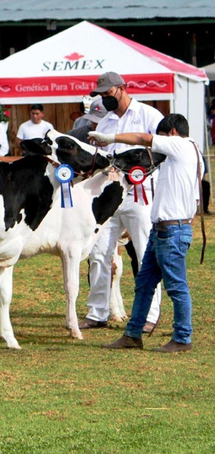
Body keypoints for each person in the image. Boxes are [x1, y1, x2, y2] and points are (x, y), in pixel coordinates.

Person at [96, 114, 202, 352]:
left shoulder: (179, 145)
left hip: (171, 230)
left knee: (176, 286)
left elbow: (143, 138)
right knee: (144, 284)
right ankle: (133, 334)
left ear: (172, 133)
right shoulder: (194, 152)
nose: (158, 143)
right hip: (167, 229)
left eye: (161, 137)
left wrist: (110, 137)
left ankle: (183, 338)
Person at [80, 71, 165, 332]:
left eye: (108, 94)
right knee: (98, 253)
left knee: (145, 253)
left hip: (141, 194)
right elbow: (102, 157)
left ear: (122, 88)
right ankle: (97, 312)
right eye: (101, 95)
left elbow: (163, 150)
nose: (105, 99)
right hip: (110, 195)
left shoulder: (149, 115)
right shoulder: (104, 123)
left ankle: (150, 315)